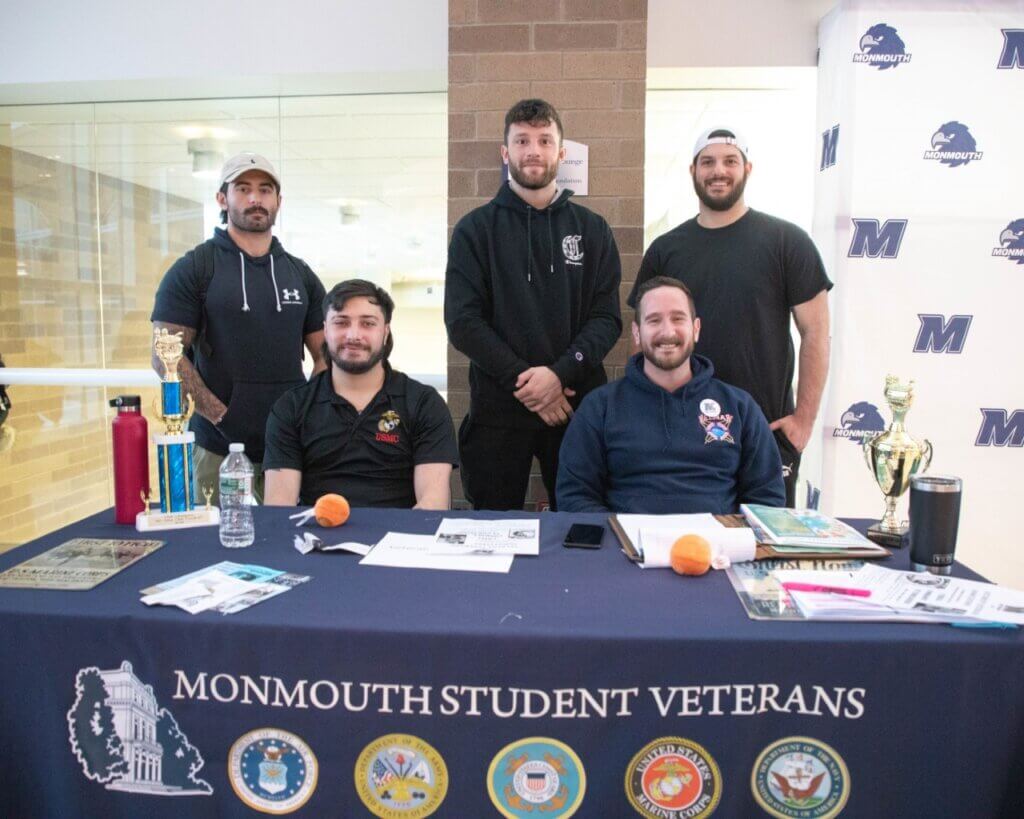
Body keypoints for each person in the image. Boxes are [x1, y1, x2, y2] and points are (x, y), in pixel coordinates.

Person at [627, 127, 831, 506]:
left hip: (766, 431)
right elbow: (641, 334)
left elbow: (816, 332)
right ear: (692, 171)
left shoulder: (788, 242)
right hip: (680, 433)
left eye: (729, 161)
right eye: (708, 162)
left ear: (747, 168)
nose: (718, 171)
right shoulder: (665, 249)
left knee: (762, 549)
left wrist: (803, 421)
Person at [445, 98, 622, 511]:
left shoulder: (592, 230)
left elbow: (606, 318)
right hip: (498, 411)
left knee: (580, 526)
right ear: (506, 154)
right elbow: (463, 321)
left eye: (544, 140)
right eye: (522, 140)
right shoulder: (475, 230)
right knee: (492, 528)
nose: (533, 150)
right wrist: (530, 383)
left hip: (572, 409)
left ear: (561, 152)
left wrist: (559, 375)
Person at [150, 152, 326, 502]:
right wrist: (220, 415)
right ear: (222, 198)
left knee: (293, 544)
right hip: (218, 447)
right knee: (214, 545)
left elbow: (327, 354)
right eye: (243, 188)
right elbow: (164, 356)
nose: (255, 198)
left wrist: (305, 411)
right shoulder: (196, 268)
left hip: (290, 447)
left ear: (278, 201)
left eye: (265, 189)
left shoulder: (299, 273)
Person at [557, 277, 785, 514]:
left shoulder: (740, 407)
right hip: (627, 547)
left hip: (716, 548)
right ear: (637, 332)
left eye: (678, 319)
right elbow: (575, 495)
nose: (667, 332)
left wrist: (728, 540)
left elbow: (767, 498)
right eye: (654, 320)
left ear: (695, 329)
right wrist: (621, 538)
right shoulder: (599, 407)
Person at [263, 280, 457, 509]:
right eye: (341, 322)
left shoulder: (424, 404)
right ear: (325, 330)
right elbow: (279, 506)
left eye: (367, 323)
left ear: (385, 332)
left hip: (399, 539)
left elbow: (433, 504)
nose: (354, 335)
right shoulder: (292, 407)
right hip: (316, 537)